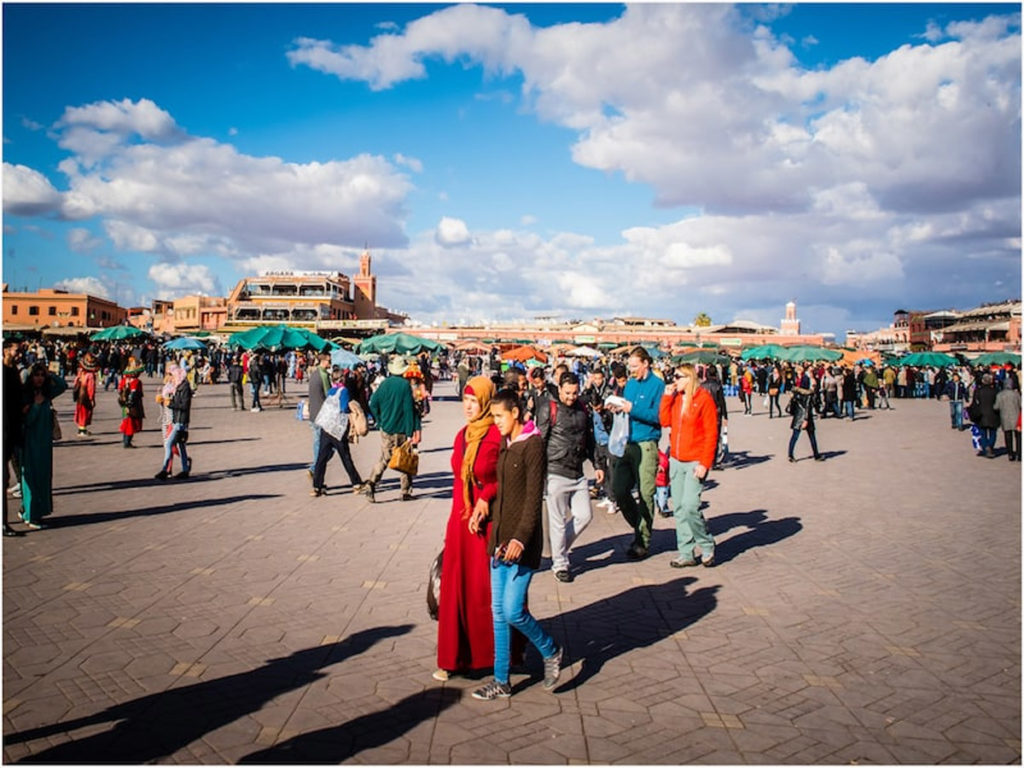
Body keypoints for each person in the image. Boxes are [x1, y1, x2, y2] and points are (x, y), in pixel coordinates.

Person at [469, 388, 563, 700]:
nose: (495, 422)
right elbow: (504, 490)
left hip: (521, 543)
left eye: (499, 416)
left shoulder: (532, 445)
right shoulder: (507, 443)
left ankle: (550, 650)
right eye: (493, 416)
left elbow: (533, 499)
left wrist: (521, 538)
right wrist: (484, 506)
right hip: (499, 541)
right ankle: (501, 680)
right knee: (497, 611)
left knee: (512, 610)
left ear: (516, 413)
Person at [435, 376, 503, 681]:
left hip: (485, 524)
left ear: (487, 402)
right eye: (465, 400)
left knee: (484, 591)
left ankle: (493, 655)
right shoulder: (462, 435)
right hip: (460, 522)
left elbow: (505, 477)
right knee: (455, 589)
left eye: (474, 401)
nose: (468, 407)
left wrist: (486, 497)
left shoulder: (496, 436)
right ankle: (452, 658)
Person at [535, 371, 604, 583]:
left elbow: (589, 439)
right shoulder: (549, 407)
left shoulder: (583, 408)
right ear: (560, 387)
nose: (571, 397)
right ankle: (560, 564)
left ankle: (559, 547)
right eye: (567, 393)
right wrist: (539, 473)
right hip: (555, 470)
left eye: (574, 392)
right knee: (557, 521)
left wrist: (598, 464)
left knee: (584, 516)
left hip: (577, 472)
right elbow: (540, 441)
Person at [660, 363, 719, 567]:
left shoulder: (703, 399)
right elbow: (664, 421)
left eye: (677, 377)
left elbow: (712, 433)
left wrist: (705, 463)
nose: (673, 380)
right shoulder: (676, 398)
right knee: (678, 508)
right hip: (676, 460)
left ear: (688, 378)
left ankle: (706, 543)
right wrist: (666, 398)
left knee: (690, 506)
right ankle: (686, 552)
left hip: (695, 460)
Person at [609, 347, 665, 560]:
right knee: (619, 489)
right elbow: (627, 408)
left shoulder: (657, 385)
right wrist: (618, 407)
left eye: (634, 366)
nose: (631, 370)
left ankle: (642, 540)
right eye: (630, 366)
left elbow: (658, 416)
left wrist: (632, 409)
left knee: (646, 493)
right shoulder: (630, 385)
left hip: (646, 443)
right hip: (627, 442)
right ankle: (640, 525)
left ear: (645, 363)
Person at [361, 357, 422, 503]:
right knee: (404, 458)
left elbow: (373, 403)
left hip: (386, 428)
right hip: (401, 429)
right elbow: (408, 410)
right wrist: (410, 432)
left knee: (385, 458)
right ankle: (404, 490)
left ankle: (372, 483)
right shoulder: (405, 386)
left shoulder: (384, 384)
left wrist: (379, 420)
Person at [19, 362, 67, 529]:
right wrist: (37, 406)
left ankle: (37, 511)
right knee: (31, 479)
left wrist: (50, 373)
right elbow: (27, 421)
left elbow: (63, 385)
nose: (39, 379)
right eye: (36, 375)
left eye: (41, 375)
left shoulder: (46, 393)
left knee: (43, 479)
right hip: (30, 443)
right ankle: (30, 515)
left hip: (44, 443)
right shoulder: (26, 395)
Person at [310, 366, 364, 496]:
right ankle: (356, 483)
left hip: (325, 427)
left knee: (321, 458)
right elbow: (344, 408)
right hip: (337, 429)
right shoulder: (344, 391)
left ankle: (317, 486)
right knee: (345, 456)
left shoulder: (331, 391)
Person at [3, 340, 25, 536]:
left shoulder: (12, 371)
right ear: (5, 350)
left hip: (13, 430)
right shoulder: (4, 372)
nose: (19, 354)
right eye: (16, 351)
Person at [155, 365, 192, 480]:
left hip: (181, 421)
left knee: (169, 443)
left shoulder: (184, 388)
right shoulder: (178, 387)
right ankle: (185, 469)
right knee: (181, 446)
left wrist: (170, 404)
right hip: (177, 419)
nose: (172, 378)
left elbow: (184, 405)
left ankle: (165, 470)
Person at [787, 363, 823, 463]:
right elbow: (807, 407)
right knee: (811, 436)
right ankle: (816, 454)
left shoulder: (796, 393)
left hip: (798, 415)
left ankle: (790, 454)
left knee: (795, 436)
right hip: (805, 415)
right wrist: (806, 419)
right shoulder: (808, 394)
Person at [307, 351, 331, 476]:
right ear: (324, 361)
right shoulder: (323, 375)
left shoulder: (314, 374)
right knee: (325, 446)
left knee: (318, 444)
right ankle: (316, 469)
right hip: (321, 415)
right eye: (329, 361)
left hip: (313, 413)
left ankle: (315, 468)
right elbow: (329, 395)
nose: (330, 363)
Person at [117, 358, 145, 448]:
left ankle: (126, 440)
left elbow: (119, 390)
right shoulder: (136, 382)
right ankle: (127, 442)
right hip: (133, 405)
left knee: (126, 421)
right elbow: (133, 395)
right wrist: (130, 405)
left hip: (124, 404)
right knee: (131, 423)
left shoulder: (124, 380)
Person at [969, 373, 1000, 458]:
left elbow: (975, 403)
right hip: (993, 415)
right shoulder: (996, 391)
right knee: (993, 433)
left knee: (983, 433)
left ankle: (986, 446)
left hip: (981, 415)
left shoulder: (978, 391)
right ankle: (990, 446)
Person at [993, 377, 1021, 462]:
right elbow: (1020, 405)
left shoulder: (1000, 395)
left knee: (1008, 436)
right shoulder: (1016, 394)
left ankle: (1010, 454)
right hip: (1016, 417)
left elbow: (996, 407)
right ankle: (1019, 454)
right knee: (1018, 437)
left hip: (1005, 417)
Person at [72, 352, 98, 437]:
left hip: (80, 394)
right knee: (85, 412)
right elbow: (91, 388)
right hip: (86, 395)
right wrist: (91, 398)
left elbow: (75, 381)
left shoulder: (81, 372)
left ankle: (81, 428)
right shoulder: (90, 375)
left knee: (80, 411)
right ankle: (82, 429)